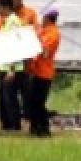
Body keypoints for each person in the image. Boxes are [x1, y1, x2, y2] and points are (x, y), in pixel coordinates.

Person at [25, 9, 62, 138]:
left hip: (44, 73)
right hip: (35, 71)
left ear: (48, 18)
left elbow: (45, 52)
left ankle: (44, 129)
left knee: (38, 103)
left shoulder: (54, 34)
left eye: (43, 17)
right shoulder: (43, 30)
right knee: (32, 102)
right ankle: (34, 128)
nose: (41, 20)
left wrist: (37, 38)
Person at [0, 0, 25, 132]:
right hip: (4, 66)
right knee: (2, 97)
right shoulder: (5, 21)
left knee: (9, 98)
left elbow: (14, 47)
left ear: (6, 7)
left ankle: (14, 125)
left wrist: (11, 70)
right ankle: (6, 124)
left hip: (11, 68)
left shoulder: (13, 22)